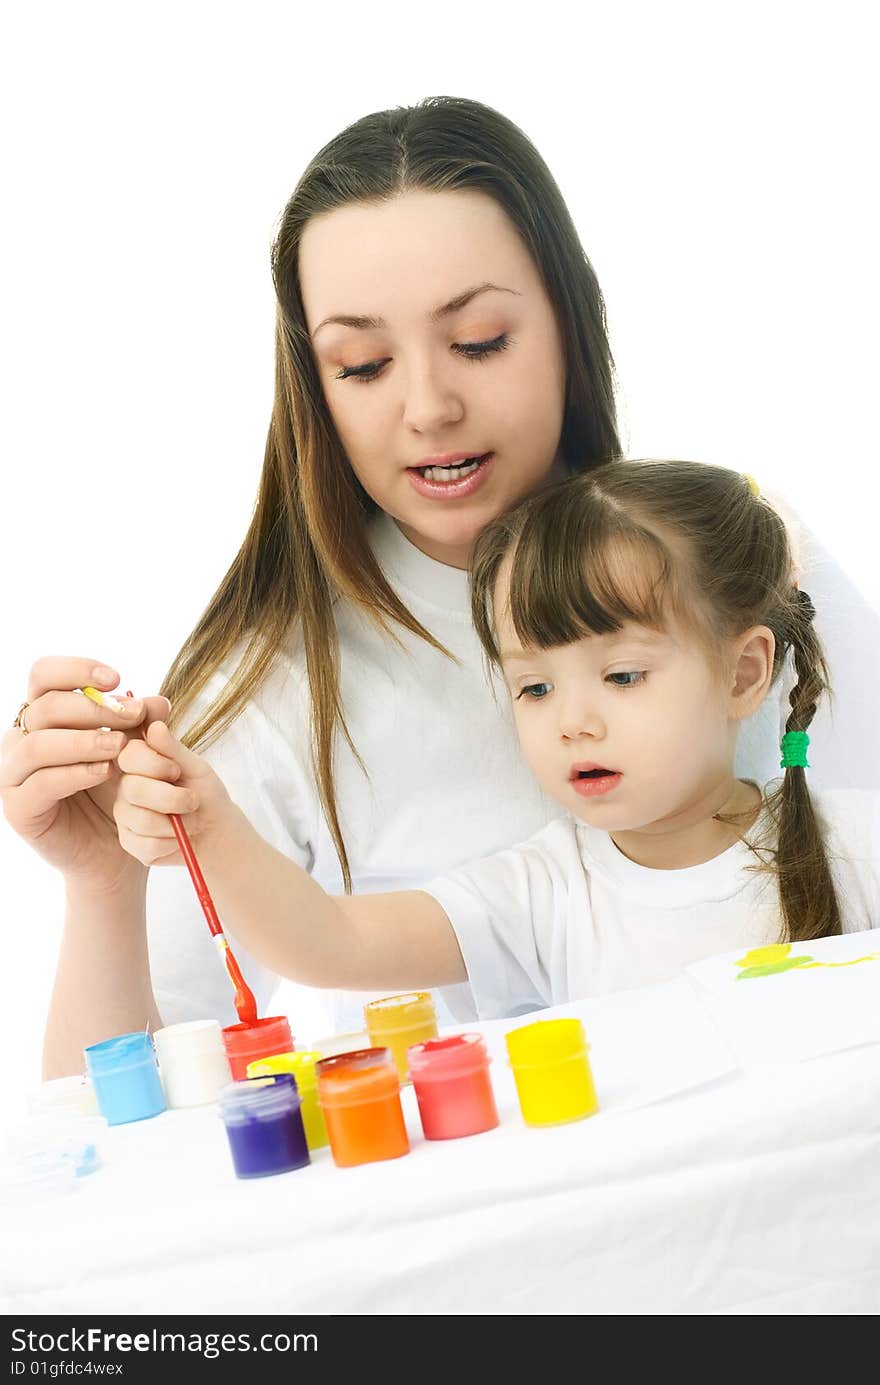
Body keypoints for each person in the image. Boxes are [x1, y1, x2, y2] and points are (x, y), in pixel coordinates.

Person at [2, 100, 877, 1074]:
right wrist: (99, 886)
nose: (428, 408)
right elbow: (119, 1102)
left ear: (567, 324)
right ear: (315, 384)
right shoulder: (283, 688)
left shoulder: (749, 564)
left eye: (478, 340)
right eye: (364, 363)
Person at [114, 460, 880, 1018]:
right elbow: (329, 940)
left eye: (621, 676)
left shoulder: (857, 846)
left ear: (744, 673)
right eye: (535, 688)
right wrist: (213, 826)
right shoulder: (544, 894)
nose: (572, 721)